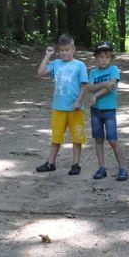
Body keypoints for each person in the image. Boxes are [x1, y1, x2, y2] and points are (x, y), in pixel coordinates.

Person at [36, 34, 88, 175]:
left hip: (75, 108)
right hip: (58, 107)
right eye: (62, 50)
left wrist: (78, 101)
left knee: (77, 136)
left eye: (67, 50)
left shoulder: (79, 65)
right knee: (56, 137)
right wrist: (48, 55)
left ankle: (76, 164)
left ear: (73, 49)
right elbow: (41, 72)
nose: (64, 53)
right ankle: (51, 163)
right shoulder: (56, 63)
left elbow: (83, 85)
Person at [84, 42, 128, 181]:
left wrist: (96, 95)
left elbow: (111, 86)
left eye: (107, 57)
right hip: (96, 111)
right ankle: (102, 168)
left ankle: (123, 169)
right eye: (101, 57)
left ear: (111, 58)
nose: (104, 60)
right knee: (98, 140)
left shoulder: (113, 69)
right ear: (96, 58)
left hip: (109, 112)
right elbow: (89, 88)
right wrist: (103, 83)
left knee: (113, 140)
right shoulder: (93, 72)